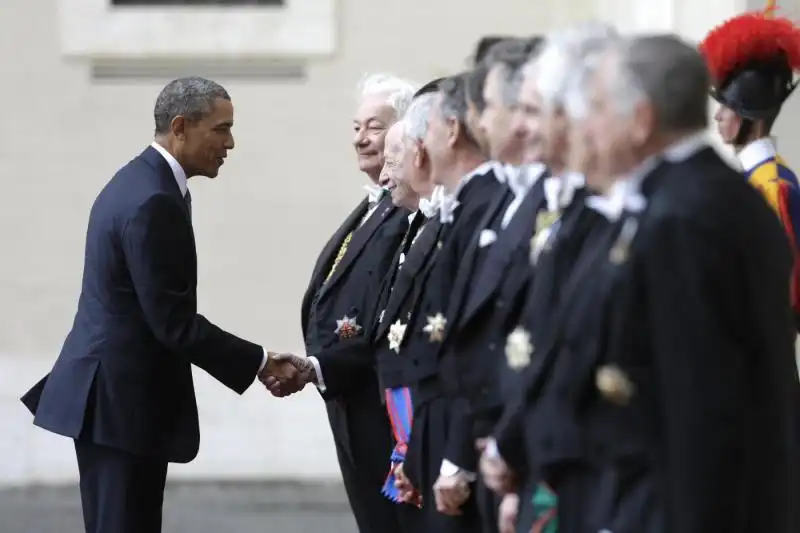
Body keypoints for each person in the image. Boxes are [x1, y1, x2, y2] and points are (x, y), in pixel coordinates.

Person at [501, 34, 797, 533]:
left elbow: (698, 409)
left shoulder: (684, 216)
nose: (586, 127)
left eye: (596, 108)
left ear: (640, 121)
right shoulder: (677, 201)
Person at [19, 77, 295, 533]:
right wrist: (260, 361)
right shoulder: (152, 200)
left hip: (117, 402)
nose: (230, 143)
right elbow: (173, 323)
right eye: (221, 129)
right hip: (119, 404)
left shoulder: (143, 182)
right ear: (182, 127)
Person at [277, 73, 416, 533]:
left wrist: (317, 366)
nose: (361, 138)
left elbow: (382, 313)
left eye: (374, 127)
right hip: (347, 398)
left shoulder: (405, 211)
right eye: (357, 127)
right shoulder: (375, 204)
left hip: (376, 404)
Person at [699, 7, 800, 323]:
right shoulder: (755, 177)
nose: (718, 116)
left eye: (726, 107)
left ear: (749, 114)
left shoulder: (771, 187)